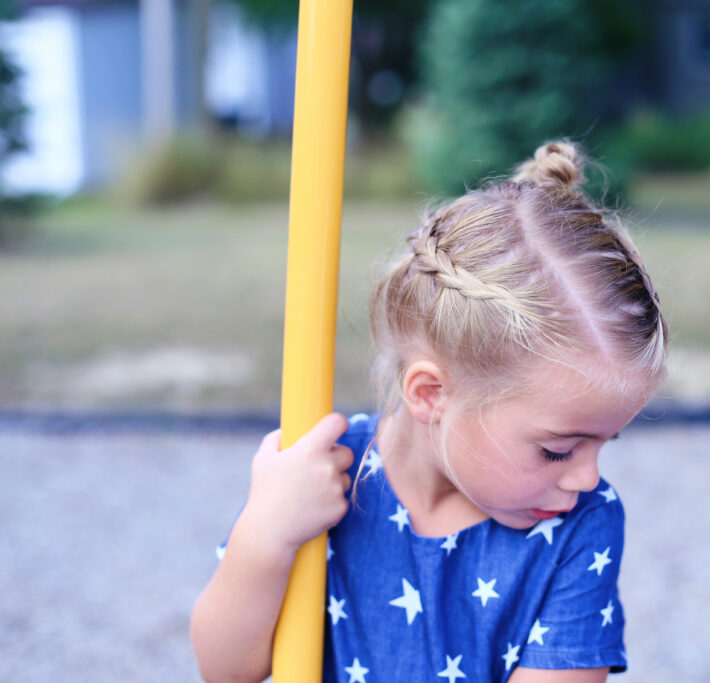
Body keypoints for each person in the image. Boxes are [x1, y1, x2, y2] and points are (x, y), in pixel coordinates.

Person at [190, 140, 668, 683]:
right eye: (557, 449)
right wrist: (265, 534)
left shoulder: (580, 525)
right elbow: (224, 670)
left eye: (604, 443)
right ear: (430, 394)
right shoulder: (321, 479)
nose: (587, 477)